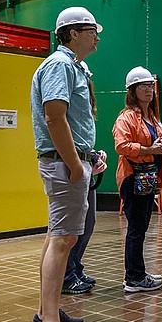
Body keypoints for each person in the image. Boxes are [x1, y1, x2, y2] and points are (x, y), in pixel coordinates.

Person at [28, 6, 101, 322]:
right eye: (91, 30)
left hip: (67, 162)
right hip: (63, 165)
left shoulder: (69, 66)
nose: (96, 35)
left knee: (56, 235)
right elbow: (55, 117)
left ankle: (46, 312)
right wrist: (75, 165)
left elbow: (68, 119)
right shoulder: (60, 66)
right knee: (63, 239)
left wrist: (87, 156)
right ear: (72, 33)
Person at [113, 66, 162, 293]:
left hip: (148, 177)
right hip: (133, 177)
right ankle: (133, 278)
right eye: (143, 86)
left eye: (150, 86)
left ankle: (138, 273)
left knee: (141, 226)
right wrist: (150, 148)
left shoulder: (152, 117)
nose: (149, 90)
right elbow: (121, 146)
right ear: (133, 90)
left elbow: (160, 145)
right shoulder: (127, 117)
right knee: (136, 228)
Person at [62, 61, 105, 295]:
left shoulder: (85, 106)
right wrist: (78, 166)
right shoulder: (69, 99)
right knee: (69, 230)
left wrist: (93, 157)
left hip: (85, 166)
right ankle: (67, 276)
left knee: (86, 226)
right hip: (75, 168)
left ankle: (75, 268)